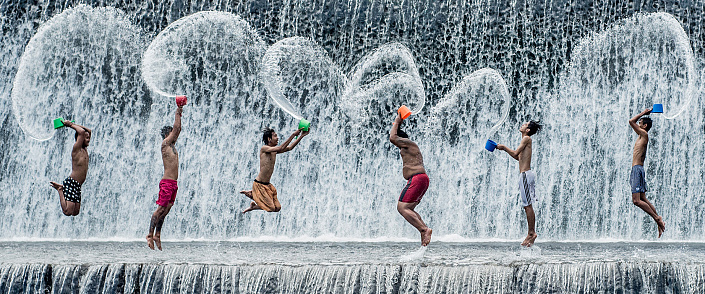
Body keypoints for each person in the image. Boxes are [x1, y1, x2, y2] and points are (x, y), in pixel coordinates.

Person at [240, 126, 309, 213]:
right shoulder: (264, 149)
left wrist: (301, 136)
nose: (277, 138)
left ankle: (253, 204)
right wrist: (293, 135)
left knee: (277, 208)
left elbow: (290, 148)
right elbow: (280, 148)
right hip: (259, 184)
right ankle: (254, 194)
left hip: (267, 185)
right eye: (275, 136)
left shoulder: (274, 151)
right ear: (269, 139)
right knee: (271, 208)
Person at [496, 120, 542, 247]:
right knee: (527, 205)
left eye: (525, 124)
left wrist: (504, 147)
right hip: (525, 176)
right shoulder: (525, 140)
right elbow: (518, 157)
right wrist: (503, 149)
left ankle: (531, 233)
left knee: (528, 205)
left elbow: (515, 153)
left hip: (525, 176)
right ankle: (531, 233)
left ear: (527, 130)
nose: (522, 124)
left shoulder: (526, 138)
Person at [390, 115, 432, 246]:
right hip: (420, 179)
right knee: (409, 209)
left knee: (402, 207)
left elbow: (392, 137)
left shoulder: (409, 144)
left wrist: (397, 120)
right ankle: (423, 231)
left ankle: (424, 230)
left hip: (417, 179)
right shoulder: (407, 148)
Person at [147, 103, 183, 250]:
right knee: (160, 209)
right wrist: (178, 112)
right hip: (167, 183)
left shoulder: (172, 146)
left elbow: (177, 130)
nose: (176, 135)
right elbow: (177, 128)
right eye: (172, 133)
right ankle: (149, 235)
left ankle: (158, 235)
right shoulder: (165, 144)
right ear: (167, 134)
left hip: (173, 184)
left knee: (166, 210)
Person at [628, 108, 665, 237]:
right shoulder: (641, 136)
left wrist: (644, 112)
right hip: (638, 169)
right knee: (643, 198)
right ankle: (658, 222)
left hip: (637, 170)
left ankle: (657, 218)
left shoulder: (644, 134)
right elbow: (633, 122)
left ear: (645, 126)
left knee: (636, 201)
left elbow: (630, 121)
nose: (637, 124)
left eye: (640, 122)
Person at [49, 121, 92, 216]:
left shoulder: (85, 149)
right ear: (79, 138)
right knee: (68, 212)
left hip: (78, 185)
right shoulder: (77, 149)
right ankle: (60, 189)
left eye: (88, 137)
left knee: (75, 212)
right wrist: (70, 125)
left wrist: (73, 124)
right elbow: (81, 132)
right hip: (71, 182)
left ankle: (62, 189)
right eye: (86, 137)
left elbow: (88, 130)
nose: (88, 139)